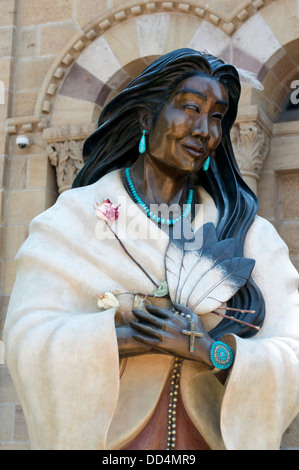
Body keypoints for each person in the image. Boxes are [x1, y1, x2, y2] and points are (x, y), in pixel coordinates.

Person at [3, 49, 299, 450]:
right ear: (146, 117)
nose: (203, 130)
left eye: (216, 117)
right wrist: (131, 334)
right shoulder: (73, 219)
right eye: (190, 108)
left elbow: (292, 353)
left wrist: (209, 350)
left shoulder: (250, 236)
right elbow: (28, 337)